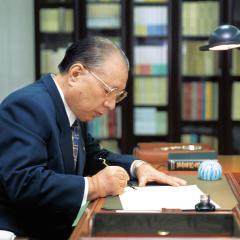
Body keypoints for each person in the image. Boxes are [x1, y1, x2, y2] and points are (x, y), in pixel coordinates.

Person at [0, 36, 186, 239]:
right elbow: (25, 183)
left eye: (118, 96)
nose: (111, 105)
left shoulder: (68, 107)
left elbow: (94, 156)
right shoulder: (28, 106)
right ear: (76, 74)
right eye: (108, 91)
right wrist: (94, 186)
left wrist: (138, 166)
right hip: (24, 232)